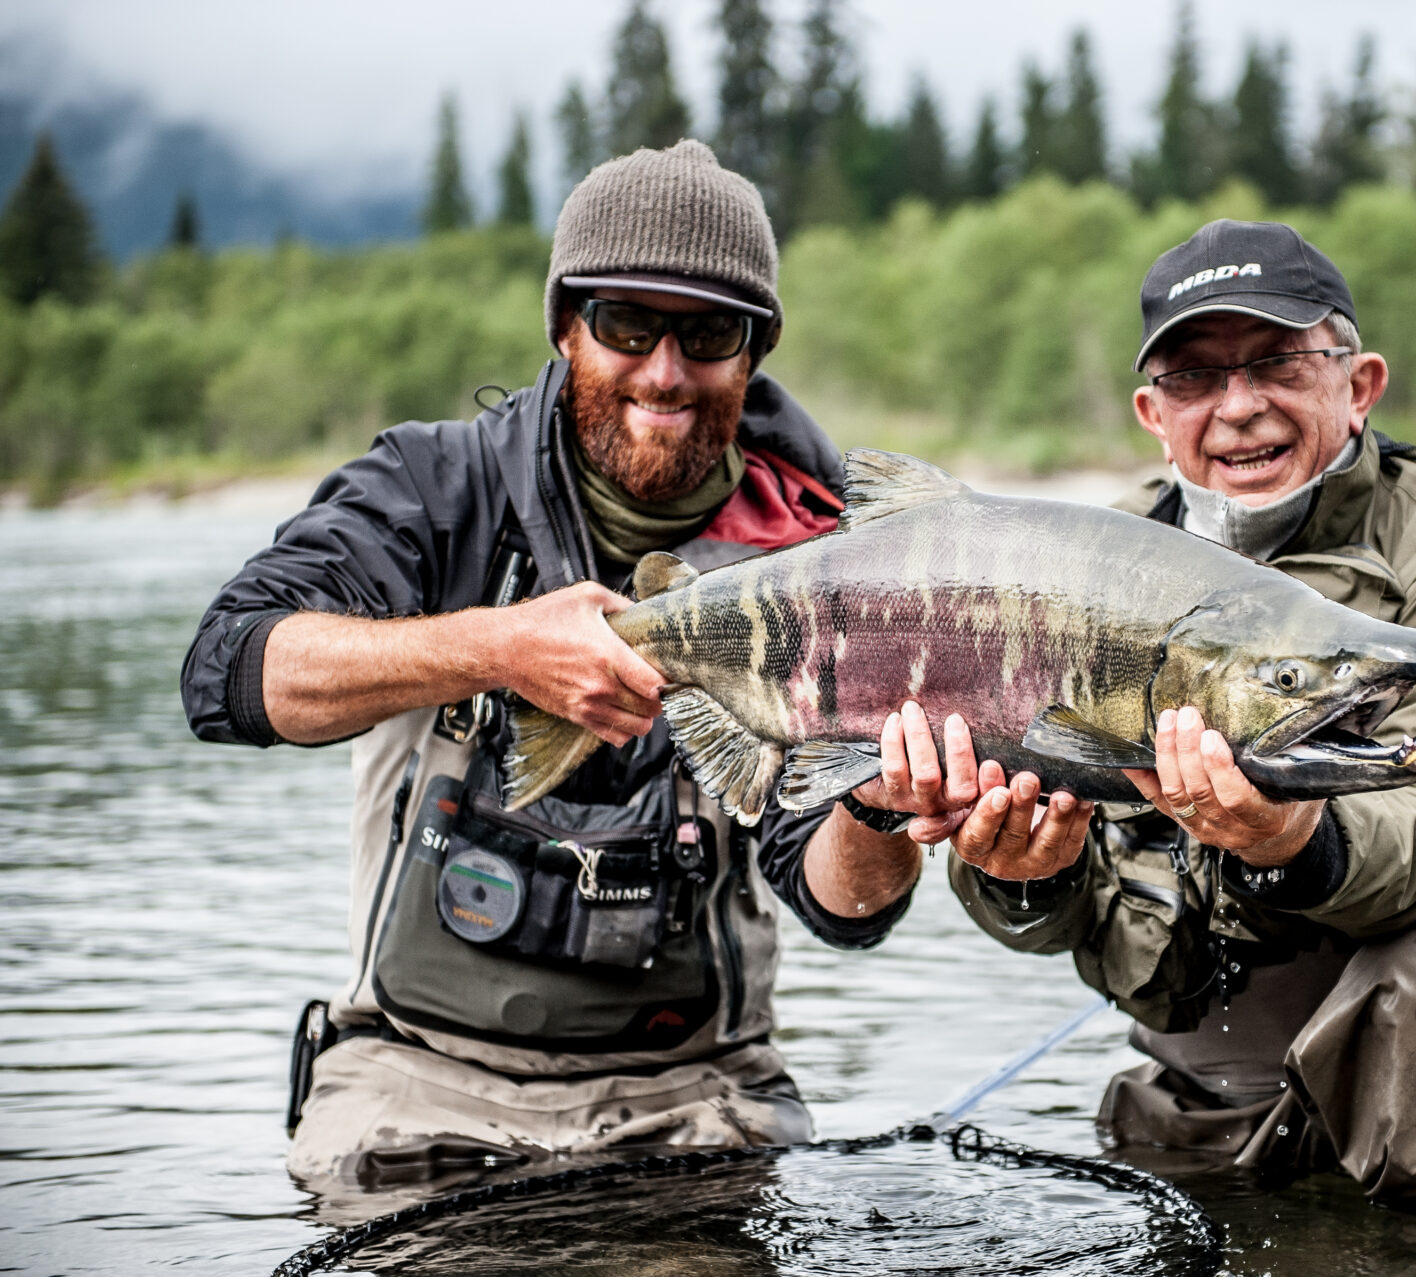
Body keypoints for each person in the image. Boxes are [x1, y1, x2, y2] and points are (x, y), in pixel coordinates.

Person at [180, 140, 923, 1194]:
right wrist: (497, 644)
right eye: (628, 325)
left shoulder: (820, 556)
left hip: (698, 1093)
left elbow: (843, 905)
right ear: (567, 328)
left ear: (752, 351)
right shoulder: (433, 492)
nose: (665, 370)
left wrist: (883, 808)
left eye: (708, 332)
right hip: (416, 1081)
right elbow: (229, 672)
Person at [857, 219, 1416, 1220]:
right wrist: (1021, 878)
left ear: (1359, 383)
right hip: (1216, 1074)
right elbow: (1059, 904)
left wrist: (1296, 838)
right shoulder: (1088, 565)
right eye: (1195, 377)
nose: (1239, 406)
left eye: (1277, 361)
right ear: (1150, 410)